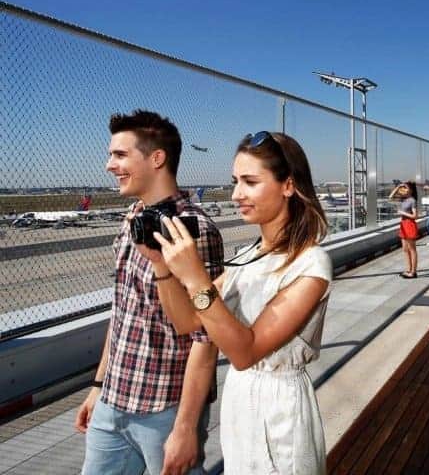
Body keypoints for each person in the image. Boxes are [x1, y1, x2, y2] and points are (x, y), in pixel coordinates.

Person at [147, 131, 333, 474]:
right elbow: (187, 322)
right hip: (240, 404)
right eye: (235, 182)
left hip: (279, 409)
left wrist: (196, 279)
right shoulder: (248, 256)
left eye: (250, 182)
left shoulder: (311, 263)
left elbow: (245, 352)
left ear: (288, 185)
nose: (236, 194)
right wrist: (162, 267)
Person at [76, 110, 224, 475]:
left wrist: (186, 427)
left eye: (120, 155)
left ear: (157, 158)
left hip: (165, 408)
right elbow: (123, 311)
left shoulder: (195, 230)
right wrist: (99, 385)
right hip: (114, 400)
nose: (110, 165)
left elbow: (206, 337)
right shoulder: (133, 221)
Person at [390, 181, 419, 278]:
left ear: (411, 190)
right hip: (403, 224)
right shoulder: (404, 199)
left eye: (406, 187)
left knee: (412, 249)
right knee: (405, 249)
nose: (404, 189)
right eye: (404, 187)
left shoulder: (412, 200)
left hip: (409, 224)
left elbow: (415, 216)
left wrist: (402, 213)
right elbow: (391, 197)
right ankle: (408, 269)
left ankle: (413, 272)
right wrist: (398, 186)